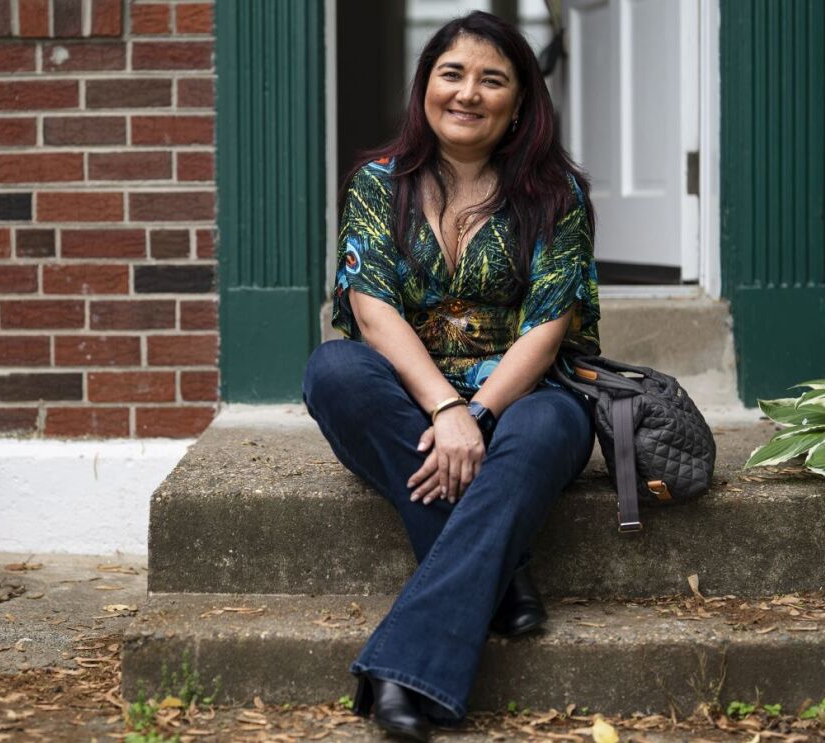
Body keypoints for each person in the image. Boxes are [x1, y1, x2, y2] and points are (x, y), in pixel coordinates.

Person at [301, 11, 601, 742]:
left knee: (544, 424)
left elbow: (548, 326)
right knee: (334, 370)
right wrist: (444, 407)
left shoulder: (557, 193)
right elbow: (370, 310)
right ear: (425, 87)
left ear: (521, 101)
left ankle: (405, 668)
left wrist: (483, 413)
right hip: (414, 402)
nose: (468, 93)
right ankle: (504, 577)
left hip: (529, 399)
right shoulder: (377, 183)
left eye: (492, 79)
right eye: (452, 73)